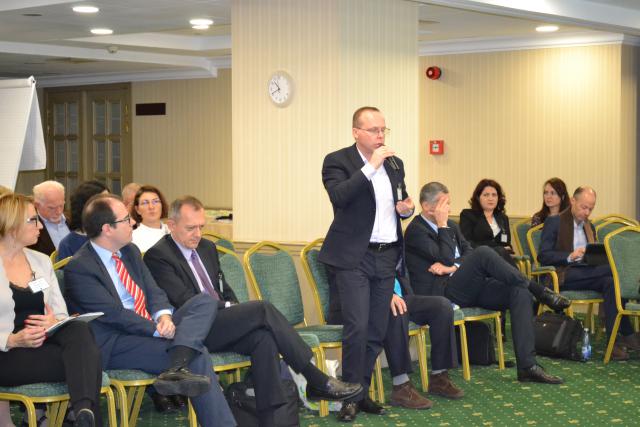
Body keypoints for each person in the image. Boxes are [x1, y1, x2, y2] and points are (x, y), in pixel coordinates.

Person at [143, 196, 362, 426]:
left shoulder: (207, 248)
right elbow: (184, 300)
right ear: (171, 225)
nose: (197, 234)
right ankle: (315, 379)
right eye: (190, 228)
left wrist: (233, 308)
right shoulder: (159, 256)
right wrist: (233, 309)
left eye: (201, 227)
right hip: (192, 331)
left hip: (221, 322)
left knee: (263, 339)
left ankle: (272, 418)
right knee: (262, 309)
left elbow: (223, 289)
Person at [63, 194, 236, 427]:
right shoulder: (80, 267)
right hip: (116, 342)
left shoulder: (130, 251)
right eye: (126, 219)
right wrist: (157, 329)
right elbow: (114, 315)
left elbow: (154, 292)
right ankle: (182, 363)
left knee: (203, 301)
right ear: (107, 229)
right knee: (197, 353)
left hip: (150, 327)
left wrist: (163, 316)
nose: (133, 222)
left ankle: (176, 362)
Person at [405, 182, 568, 384]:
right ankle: (540, 291)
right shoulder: (416, 230)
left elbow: (466, 253)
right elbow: (445, 256)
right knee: (485, 253)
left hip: (465, 283)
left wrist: (454, 267)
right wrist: (442, 226)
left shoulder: (452, 226)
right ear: (428, 207)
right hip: (444, 292)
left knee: (519, 292)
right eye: (444, 204)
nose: (449, 209)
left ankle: (528, 366)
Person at [318, 106, 414, 422]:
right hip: (352, 258)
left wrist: (406, 209)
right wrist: (370, 167)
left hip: (386, 255)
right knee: (357, 327)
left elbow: (400, 201)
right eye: (374, 130)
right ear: (356, 132)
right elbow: (340, 197)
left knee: (376, 328)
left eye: (384, 130)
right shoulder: (337, 161)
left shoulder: (395, 163)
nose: (380, 136)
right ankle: (348, 397)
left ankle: (360, 393)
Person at [0, 193, 103, 427]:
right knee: (91, 360)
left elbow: (61, 312)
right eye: (33, 220)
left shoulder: (41, 261)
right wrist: (13, 339)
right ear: (11, 224)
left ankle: (84, 412)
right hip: (7, 353)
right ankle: (85, 414)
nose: (40, 227)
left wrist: (53, 321)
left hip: (43, 344)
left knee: (77, 329)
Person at [327, 273, 462, 410]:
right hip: (361, 303)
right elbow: (354, 281)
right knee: (395, 311)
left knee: (442, 306)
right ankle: (401, 386)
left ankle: (439, 377)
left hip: (399, 296)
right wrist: (385, 295)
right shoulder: (346, 254)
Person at [537, 186, 640, 360]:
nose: (587, 212)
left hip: (588, 272)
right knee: (614, 272)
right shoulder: (554, 222)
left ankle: (613, 343)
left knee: (610, 281)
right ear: (572, 201)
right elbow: (543, 255)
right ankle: (628, 333)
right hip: (564, 274)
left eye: (591, 209)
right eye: (584, 207)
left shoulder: (589, 226)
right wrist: (570, 256)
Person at [459, 179, 514, 264]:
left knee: (501, 253)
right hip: (478, 258)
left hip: (500, 259)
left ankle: (516, 277)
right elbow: (467, 242)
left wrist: (507, 248)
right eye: (486, 195)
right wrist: (493, 249)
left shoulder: (503, 218)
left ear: (498, 198)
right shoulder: (468, 215)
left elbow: (506, 243)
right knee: (500, 251)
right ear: (478, 198)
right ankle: (518, 277)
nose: (490, 198)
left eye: (494, 195)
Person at [57, 181, 110, 260]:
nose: (110, 206)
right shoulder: (68, 244)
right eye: (104, 202)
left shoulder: (113, 234)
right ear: (86, 207)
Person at [28, 181, 70, 256]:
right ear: (37, 205)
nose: (59, 212)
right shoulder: (29, 226)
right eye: (52, 208)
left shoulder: (73, 220)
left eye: (61, 205)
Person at [130, 185, 170, 252]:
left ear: (162, 205)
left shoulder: (173, 232)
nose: (151, 207)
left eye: (155, 201)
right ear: (137, 210)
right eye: (145, 203)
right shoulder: (132, 238)